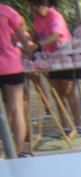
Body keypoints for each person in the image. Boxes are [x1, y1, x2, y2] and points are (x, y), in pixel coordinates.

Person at [28, 0, 81, 135]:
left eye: (33, 6)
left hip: (65, 58)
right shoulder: (36, 18)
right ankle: (64, 125)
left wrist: (37, 44)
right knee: (57, 94)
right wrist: (29, 43)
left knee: (69, 93)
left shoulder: (55, 16)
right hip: (50, 60)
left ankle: (78, 125)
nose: (32, 9)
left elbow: (55, 35)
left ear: (41, 4)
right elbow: (35, 35)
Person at [1, 1, 35, 157]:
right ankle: (19, 149)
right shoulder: (8, 12)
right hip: (11, 66)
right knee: (17, 108)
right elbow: (22, 37)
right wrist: (29, 51)